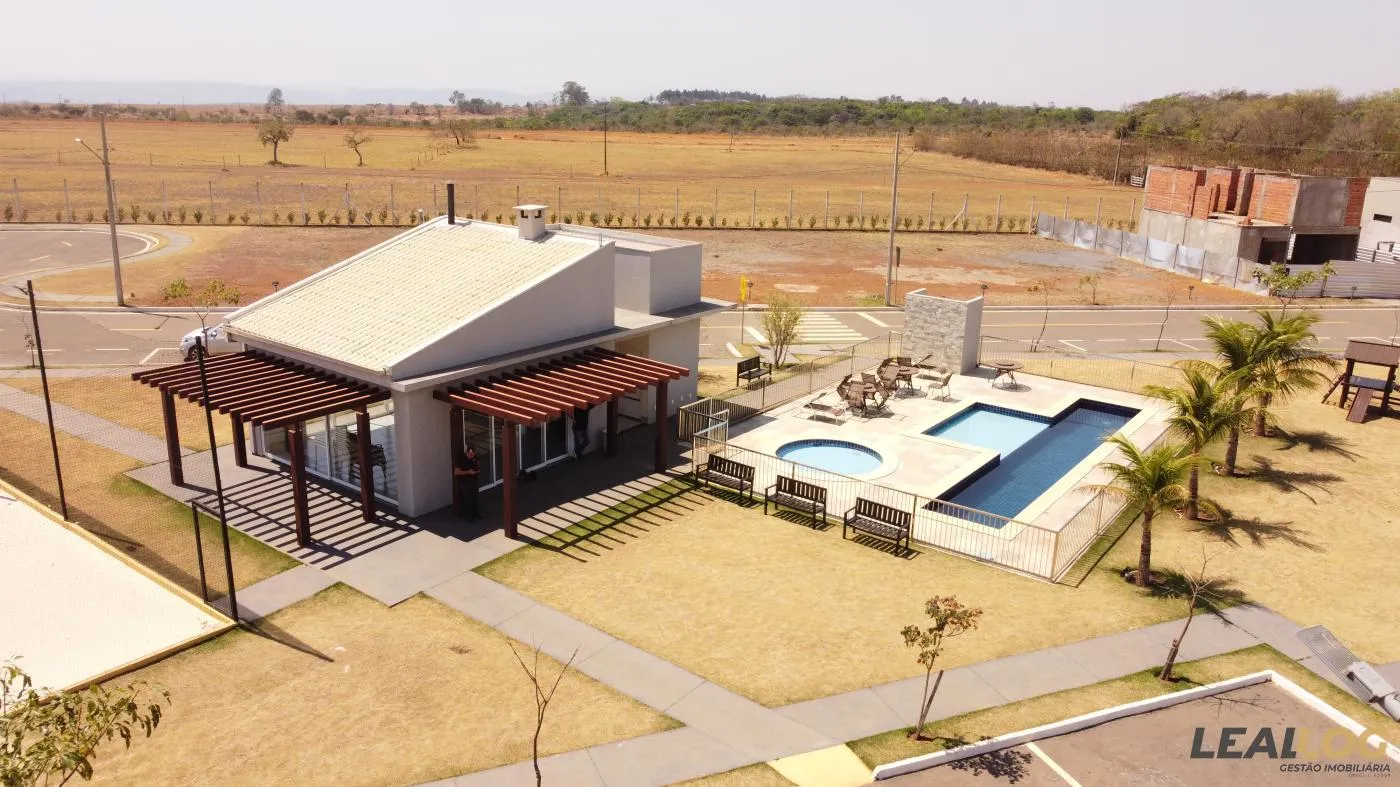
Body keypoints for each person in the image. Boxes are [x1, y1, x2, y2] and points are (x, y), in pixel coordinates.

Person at [453, 443, 480, 521]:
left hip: (474, 481)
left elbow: (478, 467)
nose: (471, 455)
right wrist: (468, 472)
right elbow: (456, 472)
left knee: (475, 498)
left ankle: (476, 514)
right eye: (470, 454)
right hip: (465, 482)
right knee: (467, 500)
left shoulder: (475, 458)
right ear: (467, 453)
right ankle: (468, 517)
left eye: (473, 454)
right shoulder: (461, 460)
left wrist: (477, 471)